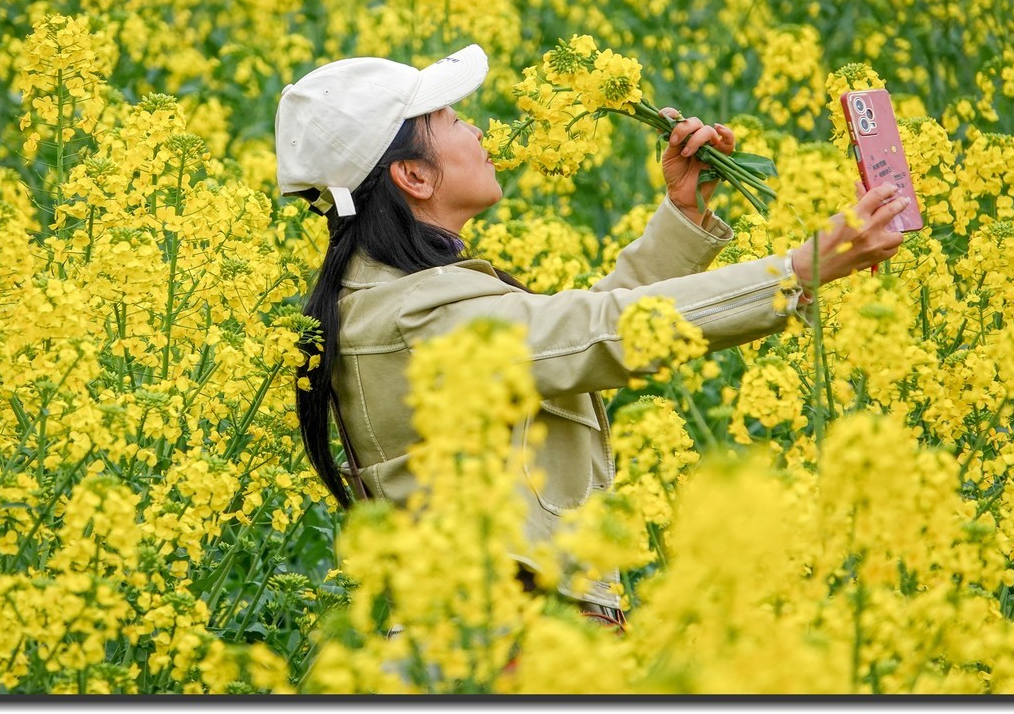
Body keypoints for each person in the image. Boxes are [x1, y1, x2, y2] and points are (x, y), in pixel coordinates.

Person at [274, 44, 908, 622]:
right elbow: (598, 333)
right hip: (507, 641)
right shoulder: (416, 315)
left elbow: (570, 338)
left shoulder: (400, 297)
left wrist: (682, 217)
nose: (480, 131)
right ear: (414, 176)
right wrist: (799, 269)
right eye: (452, 121)